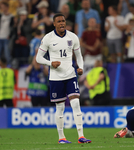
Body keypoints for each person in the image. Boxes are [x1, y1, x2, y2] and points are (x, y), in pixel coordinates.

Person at [36, 13, 91, 144]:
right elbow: (38, 58)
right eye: (59, 21)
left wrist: (81, 67)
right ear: (54, 24)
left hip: (71, 75)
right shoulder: (48, 38)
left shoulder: (73, 37)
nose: (62, 23)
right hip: (55, 77)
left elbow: (79, 55)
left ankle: (81, 136)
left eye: (63, 21)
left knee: (76, 103)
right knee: (60, 108)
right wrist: (50, 63)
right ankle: (61, 138)